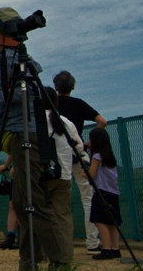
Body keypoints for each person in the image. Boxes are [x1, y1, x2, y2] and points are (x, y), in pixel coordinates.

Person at [0, 6, 69, 269]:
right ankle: (30, 260)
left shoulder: (9, 60)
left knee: (31, 201)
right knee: (24, 203)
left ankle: (58, 261)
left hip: (26, 134)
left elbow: (19, 95)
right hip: (27, 132)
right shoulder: (20, 59)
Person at [53, 70, 108, 252]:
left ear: (55, 88)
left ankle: (60, 242)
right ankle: (92, 241)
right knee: (88, 198)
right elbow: (102, 121)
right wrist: (90, 143)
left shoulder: (52, 107)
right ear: (73, 86)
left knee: (58, 200)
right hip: (78, 152)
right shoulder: (78, 104)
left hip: (58, 157)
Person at [43, 87, 85, 266]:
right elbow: (80, 148)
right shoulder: (66, 122)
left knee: (42, 215)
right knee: (63, 217)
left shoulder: (35, 120)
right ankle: (66, 258)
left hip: (43, 175)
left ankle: (46, 255)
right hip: (64, 175)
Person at [87, 127, 121, 260]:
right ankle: (115, 248)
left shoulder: (97, 156)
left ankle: (106, 248)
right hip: (113, 192)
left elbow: (91, 174)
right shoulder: (110, 156)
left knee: (99, 221)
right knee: (112, 222)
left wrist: (85, 170)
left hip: (100, 192)